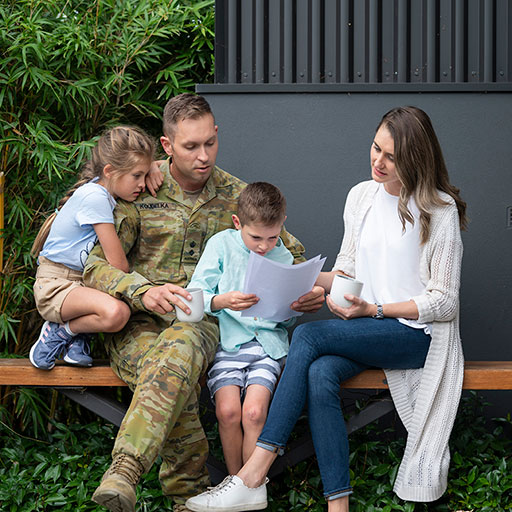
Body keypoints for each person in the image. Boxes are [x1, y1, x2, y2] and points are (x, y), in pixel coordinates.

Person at [185, 106, 467, 512]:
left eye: (391, 156)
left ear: (416, 159)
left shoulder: (438, 211)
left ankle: (252, 475)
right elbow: (347, 272)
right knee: (319, 373)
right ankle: (339, 505)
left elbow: (444, 302)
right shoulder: (361, 197)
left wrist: (374, 309)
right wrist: (294, 280)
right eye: (375, 148)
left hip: (414, 335)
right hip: (371, 327)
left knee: (308, 335)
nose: (378, 161)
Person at [83, 93, 325, 512]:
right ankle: (184, 495)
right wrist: (144, 291)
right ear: (167, 146)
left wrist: (307, 293)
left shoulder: (237, 196)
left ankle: (129, 472)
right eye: (190, 146)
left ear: (217, 134)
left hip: (204, 323)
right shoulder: (140, 187)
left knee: (181, 348)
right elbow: (95, 267)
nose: (203, 156)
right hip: (141, 324)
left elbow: (293, 258)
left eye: (209, 143)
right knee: (172, 368)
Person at [187, 181, 295, 476]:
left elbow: (284, 320)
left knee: (254, 412)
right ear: (238, 223)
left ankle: (248, 489)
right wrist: (222, 301)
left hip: (267, 348)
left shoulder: (283, 256)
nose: (264, 246)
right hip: (229, 345)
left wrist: (290, 309)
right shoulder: (222, 245)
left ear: (283, 224)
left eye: (272, 237)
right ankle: (234, 483)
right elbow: (195, 292)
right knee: (228, 411)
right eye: (256, 237)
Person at [29, 125, 156, 370]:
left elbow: (137, 169)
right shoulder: (95, 197)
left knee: (116, 307)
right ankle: (61, 331)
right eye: (137, 176)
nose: (142, 184)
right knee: (117, 313)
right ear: (109, 171)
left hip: (81, 285)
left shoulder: (105, 190)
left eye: (145, 174)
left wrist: (155, 167)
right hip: (57, 286)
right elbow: (118, 265)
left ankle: (76, 337)